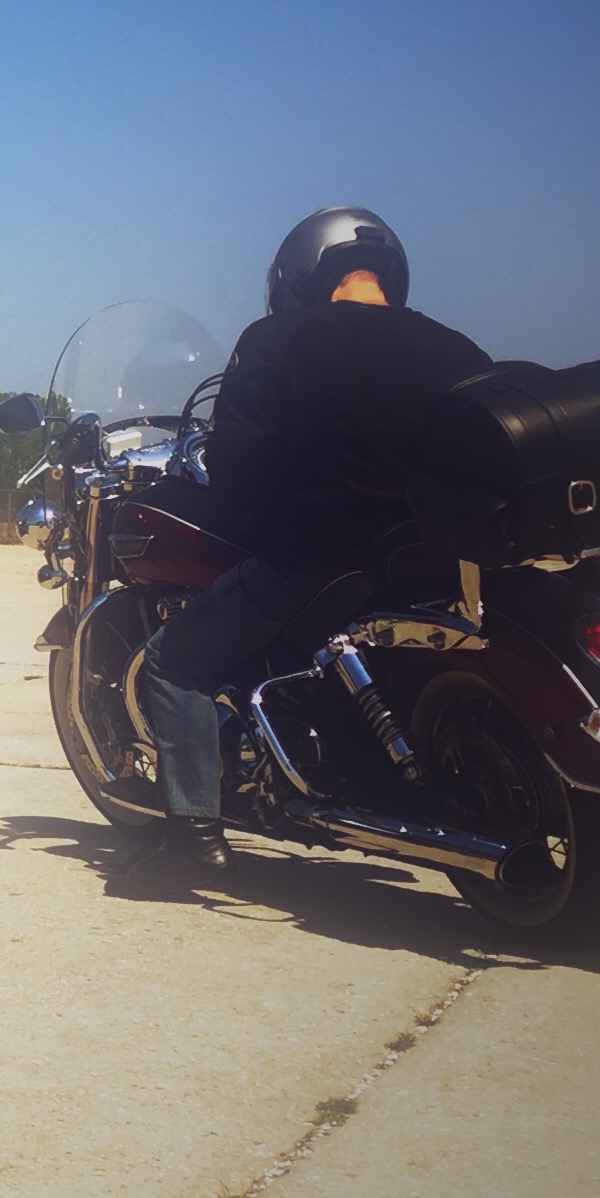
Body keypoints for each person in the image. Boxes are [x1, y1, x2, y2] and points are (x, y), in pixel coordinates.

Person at [136, 207, 490, 871]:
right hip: (426, 564)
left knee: (174, 662)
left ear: (298, 272)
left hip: (311, 565)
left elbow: (238, 473)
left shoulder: (278, 340)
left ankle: (190, 837)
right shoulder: (457, 349)